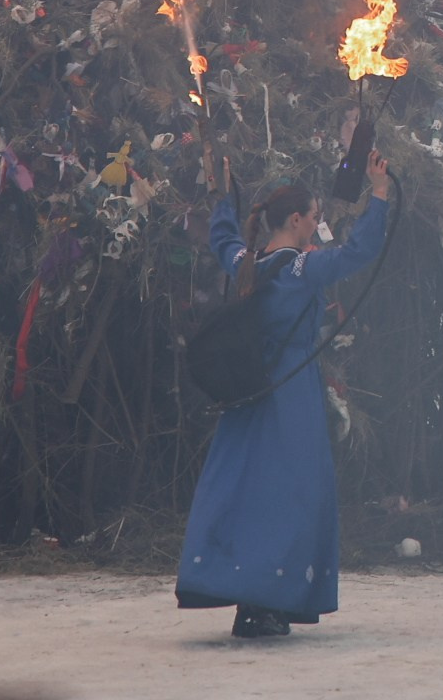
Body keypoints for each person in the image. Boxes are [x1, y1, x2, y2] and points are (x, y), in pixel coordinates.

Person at [177, 151, 393, 637]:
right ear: (295, 221)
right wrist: (378, 193)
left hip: (249, 390)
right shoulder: (301, 270)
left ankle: (248, 595)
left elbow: (223, 239)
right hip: (289, 394)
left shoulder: (245, 262)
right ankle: (270, 600)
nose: (318, 226)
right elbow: (359, 252)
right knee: (290, 493)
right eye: (315, 218)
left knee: (243, 489)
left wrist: (223, 197)